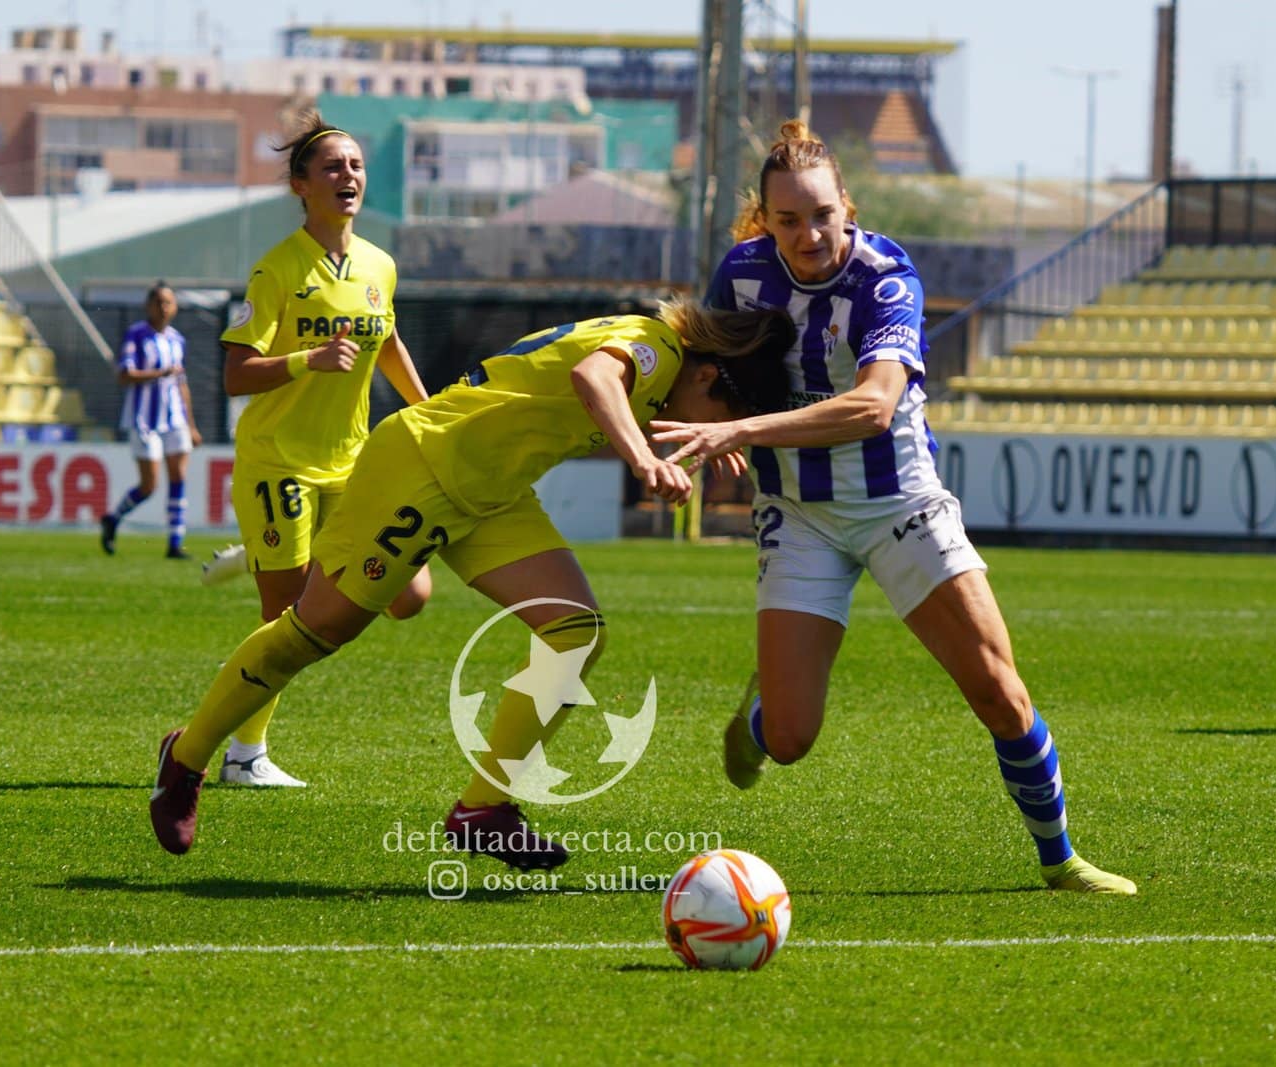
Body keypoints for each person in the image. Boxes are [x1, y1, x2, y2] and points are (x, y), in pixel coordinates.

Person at [651, 120, 1137, 895]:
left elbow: (875, 406)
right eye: (787, 219)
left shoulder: (884, 277)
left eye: (820, 214)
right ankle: (759, 721)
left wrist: (741, 425)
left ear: (848, 205)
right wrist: (702, 422)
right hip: (800, 511)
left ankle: (1061, 859)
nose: (807, 234)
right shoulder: (741, 275)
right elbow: (706, 365)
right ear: (765, 221)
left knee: (997, 689)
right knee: (792, 737)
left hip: (897, 500)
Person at [149, 299, 798, 864]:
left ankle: (483, 809)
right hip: (425, 465)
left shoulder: (662, 369)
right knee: (316, 630)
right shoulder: (655, 347)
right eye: (725, 409)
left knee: (575, 629)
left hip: (491, 494)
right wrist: (642, 457)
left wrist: (698, 432)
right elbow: (591, 377)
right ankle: (186, 756)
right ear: (709, 373)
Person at [208, 110, 435, 788]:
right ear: (300, 186)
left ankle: (258, 548)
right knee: (285, 620)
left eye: (357, 165)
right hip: (279, 461)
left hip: (350, 462)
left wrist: (428, 414)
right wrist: (307, 360)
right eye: (333, 166)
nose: (349, 176)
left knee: (410, 593)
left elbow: (386, 340)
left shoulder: (378, 265)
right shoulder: (278, 270)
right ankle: (244, 755)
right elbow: (232, 373)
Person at [100, 281, 202, 560]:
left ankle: (175, 542)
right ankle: (113, 518)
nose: (164, 307)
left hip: (175, 418)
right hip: (144, 419)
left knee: (179, 477)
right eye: (159, 302)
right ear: (148, 306)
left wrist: (191, 425)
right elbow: (124, 375)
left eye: (168, 302)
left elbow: (182, 384)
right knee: (149, 486)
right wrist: (160, 373)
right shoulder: (136, 335)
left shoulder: (177, 339)